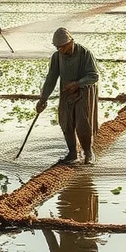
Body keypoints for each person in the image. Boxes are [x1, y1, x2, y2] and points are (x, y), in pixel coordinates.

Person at [35, 27, 99, 164]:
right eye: (58, 47)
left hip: (83, 92)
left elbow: (94, 76)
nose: (61, 50)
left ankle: (88, 152)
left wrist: (77, 83)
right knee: (66, 121)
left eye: (63, 47)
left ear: (71, 42)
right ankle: (72, 153)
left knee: (83, 123)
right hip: (66, 93)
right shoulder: (57, 57)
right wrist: (43, 98)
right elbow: (51, 78)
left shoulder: (84, 53)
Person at [43, 176, 101, 252]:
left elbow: (50, 239)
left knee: (67, 189)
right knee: (86, 188)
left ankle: (72, 171)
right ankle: (86, 171)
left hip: (66, 218)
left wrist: (41, 224)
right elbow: (94, 249)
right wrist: (81, 239)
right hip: (86, 222)